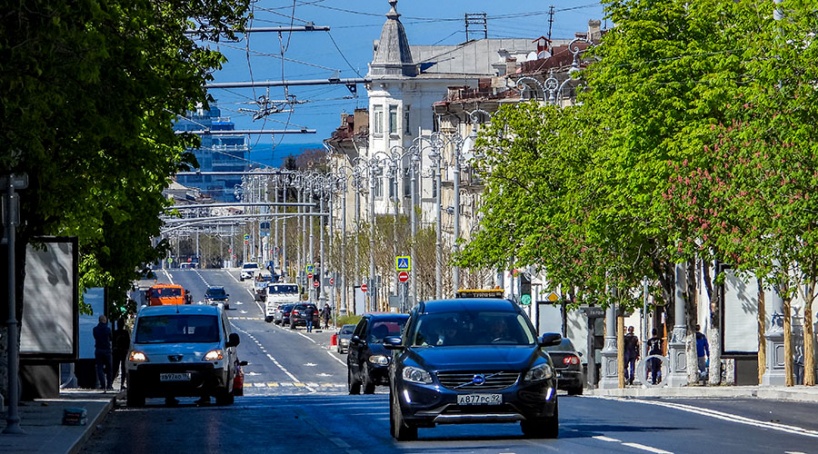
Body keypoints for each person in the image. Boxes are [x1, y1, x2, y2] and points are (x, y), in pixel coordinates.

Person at [93, 315, 114, 391]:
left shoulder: (95, 329)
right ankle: (109, 385)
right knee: (109, 368)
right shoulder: (108, 329)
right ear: (105, 321)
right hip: (107, 350)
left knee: (100, 368)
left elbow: (95, 337)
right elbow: (111, 338)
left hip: (98, 350)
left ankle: (103, 384)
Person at [112, 319, 130, 389]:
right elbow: (128, 342)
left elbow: (113, 342)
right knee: (123, 368)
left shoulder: (115, 333)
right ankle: (122, 384)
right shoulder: (125, 333)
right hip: (123, 352)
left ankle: (111, 383)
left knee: (115, 367)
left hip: (117, 352)